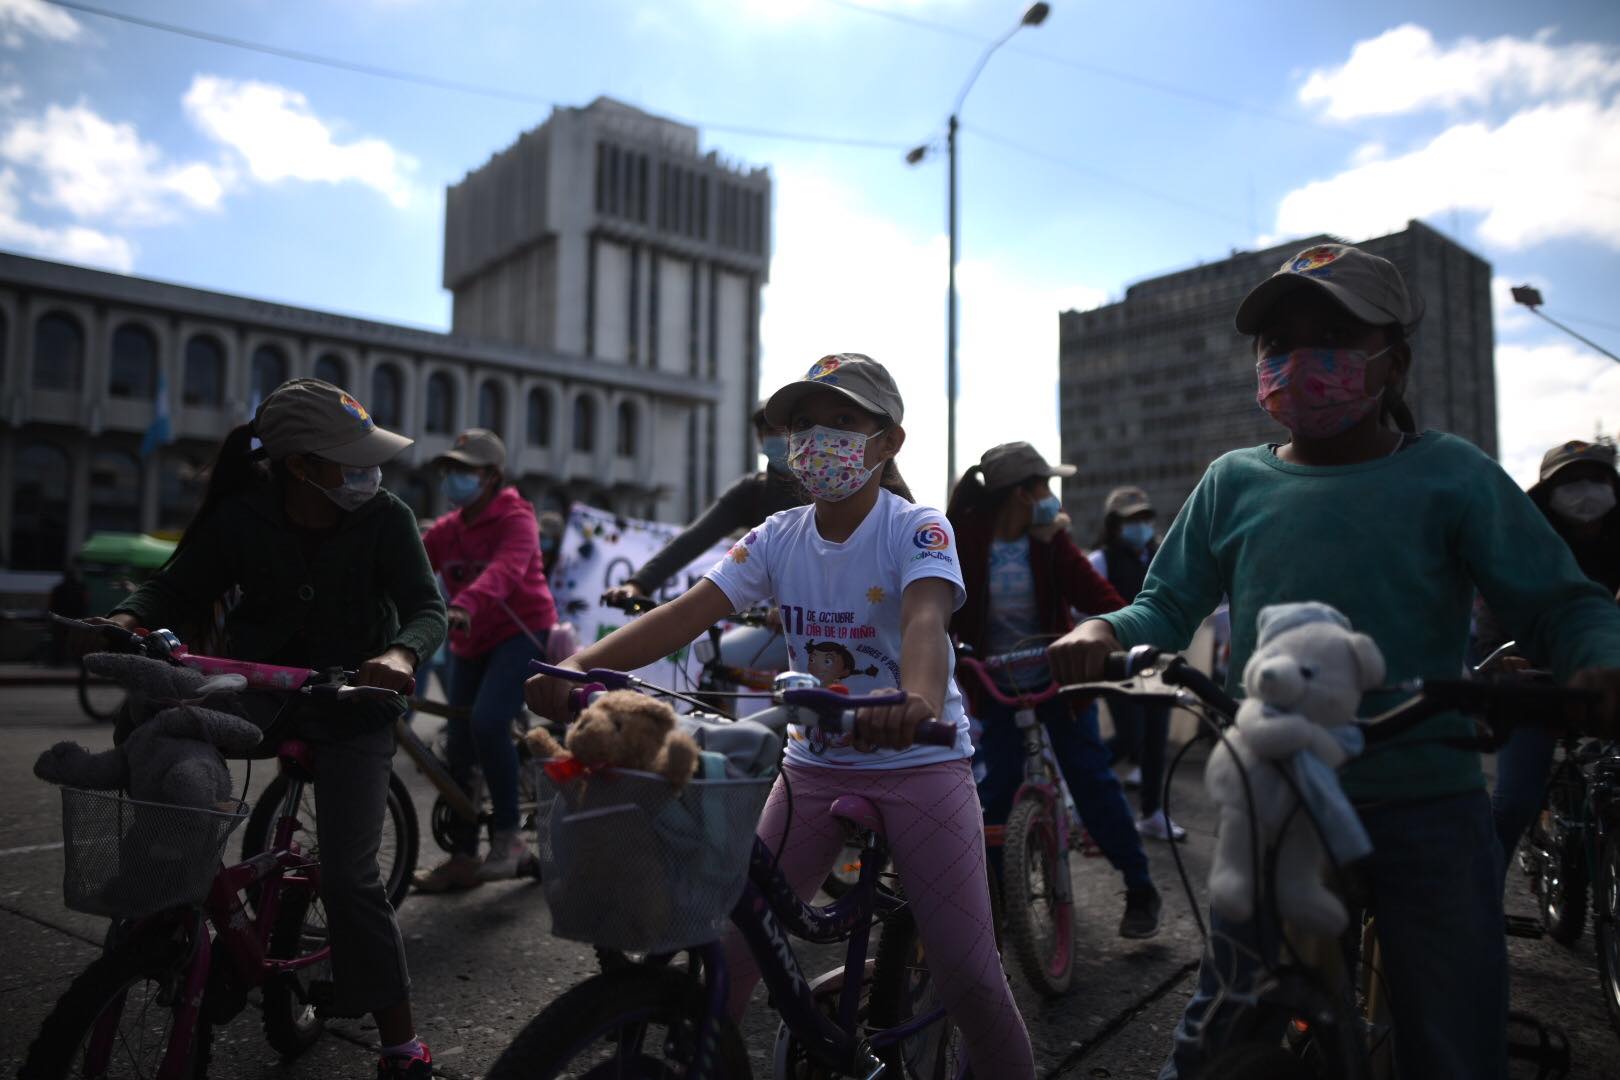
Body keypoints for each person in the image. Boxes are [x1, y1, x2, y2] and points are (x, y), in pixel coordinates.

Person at [1046, 243, 1620, 1080]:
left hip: (1425, 794)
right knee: (1219, 1026)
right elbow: (1163, 606)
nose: (1295, 361)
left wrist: (1598, 662)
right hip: (1272, 800)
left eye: (1333, 337)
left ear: (1395, 361)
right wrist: (1100, 631)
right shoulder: (1229, 483)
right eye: (1276, 344)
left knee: (1456, 1036)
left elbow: (1557, 604)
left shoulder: (1453, 475)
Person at [528, 353, 1035, 1078]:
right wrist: (578, 666)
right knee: (728, 960)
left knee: (971, 976)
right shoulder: (776, 535)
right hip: (814, 765)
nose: (816, 439)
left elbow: (926, 623)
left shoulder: (919, 528)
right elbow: (687, 612)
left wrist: (918, 702)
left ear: (886, 441)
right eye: (802, 423)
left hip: (920, 760)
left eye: (842, 422)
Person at [93, 378, 446, 1080]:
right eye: (349, 457)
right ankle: (160, 905)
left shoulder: (387, 516)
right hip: (259, 690)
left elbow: (424, 607)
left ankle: (401, 1043)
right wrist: (127, 618)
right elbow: (173, 586)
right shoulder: (242, 517)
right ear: (299, 467)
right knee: (164, 738)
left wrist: (398, 652)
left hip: (355, 702)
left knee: (349, 877)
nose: (366, 471)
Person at [947, 441, 1163, 938]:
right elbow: (941, 612)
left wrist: (1112, 634)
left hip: (1059, 683)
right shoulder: (964, 541)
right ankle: (998, 905)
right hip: (995, 687)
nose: (1051, 495)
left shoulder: (1051, 544)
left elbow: (1102, 600)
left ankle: (1139, 887)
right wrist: (953, 651)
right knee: (997, 794)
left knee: (1091, 779)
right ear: (1024, 493)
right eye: (1045, 484)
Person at [414, 428, 558, 890]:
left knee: (488, 722)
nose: (454, 477)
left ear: (492, 477)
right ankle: (461, 855)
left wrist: (465, 604)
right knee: (456, 741)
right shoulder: (446, 530)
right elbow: (411, 568)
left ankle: (510, 839)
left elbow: (505, 571)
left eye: (465, 470)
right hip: (469, 640)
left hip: (520, 633)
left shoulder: (516, 518)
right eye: (450, 468)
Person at [1488, 439, 1620, 866]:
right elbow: (1491, 602)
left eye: (1597, 479)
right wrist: (1501, 654)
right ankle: (1478, 903)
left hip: (1609, 675)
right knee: (1513, 802)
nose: (1586, 491)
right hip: (1534, 679)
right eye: (1571, 481)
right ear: (1547, 490)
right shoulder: (1520, 537)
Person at [603, 402, 800, 604]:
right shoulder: (753, 491)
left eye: (785, 430)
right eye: (770, 430)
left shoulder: (821, 489)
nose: (778, 436)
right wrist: (638, 584)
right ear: (760, 438)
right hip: (777, 612)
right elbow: (693, 540)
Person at [1089, 485, 1186, 842]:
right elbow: (1085, 610)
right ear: (1115, 525)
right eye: (1132, 520)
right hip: (1119, 662)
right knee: (1131, 736)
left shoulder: (1163, 555)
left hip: (1160, 657)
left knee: (1156, 741)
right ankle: (1081, 780)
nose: (1141, 525)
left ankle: (1152, 813)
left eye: (1145, 517)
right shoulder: (1101, 561)